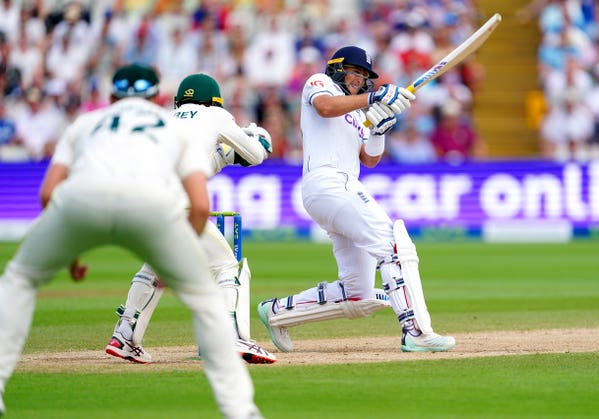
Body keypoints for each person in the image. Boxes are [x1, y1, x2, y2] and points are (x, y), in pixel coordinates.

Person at [0, 64, 262, 419]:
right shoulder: (176, 127)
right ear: (154, 98)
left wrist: (71, 252)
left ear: (111, 98)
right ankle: (239, 401)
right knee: (220, 272)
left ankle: (124, 337)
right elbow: (203, 198)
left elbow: (48, 192)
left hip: (81, 202)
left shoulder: (88, 122)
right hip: (153, 204)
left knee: (18, 281)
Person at [257, 45, 456, 354]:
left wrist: (378, 130)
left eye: (365, 76)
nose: (360, 79)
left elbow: (369, 160)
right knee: (395, 244)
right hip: (328, 182)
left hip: (340, 187)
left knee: (358, 293)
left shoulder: (355, 111)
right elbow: (325, 107)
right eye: (356, 72)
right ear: (338, 68)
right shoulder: (318, 83)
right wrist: (374, 98)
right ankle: (416, 331)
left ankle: (278, 312)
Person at [105, 72, 277, 365]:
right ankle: (234, 338)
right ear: (214, 99)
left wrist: (222, 156)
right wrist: (257, 136)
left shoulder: (167, 119)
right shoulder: (216, 114)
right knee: (227, 267)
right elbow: (256, 155)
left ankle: (124, 337)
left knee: (155, 268)